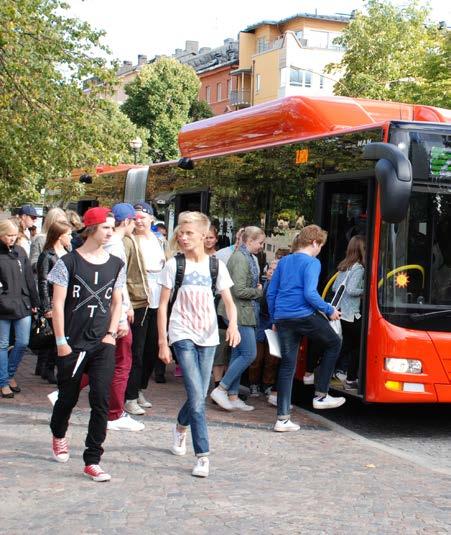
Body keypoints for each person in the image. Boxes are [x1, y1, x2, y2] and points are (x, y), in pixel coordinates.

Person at [157, 211, 240, 478]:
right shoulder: (174, 265)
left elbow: (228, 301)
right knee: (196, 396)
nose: (182, 237)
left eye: (188, 233)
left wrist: (234, 326)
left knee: (200, 394)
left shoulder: (216, 266)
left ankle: (181, 426)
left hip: (209, 336)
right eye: (180, 232)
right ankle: (202, 455)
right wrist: (162, 341)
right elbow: (162, 307)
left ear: (204, 237)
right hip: (182, 334)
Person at [48, 207, 125, 482]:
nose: (111, 231)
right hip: (72, 342)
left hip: (102, 342)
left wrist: (111, 333)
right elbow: (57, 305)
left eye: (113, 227)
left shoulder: (116, 263)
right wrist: (60, 341)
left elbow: (117, 301)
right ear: (91, 228)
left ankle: (93, 459)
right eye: (106, 227)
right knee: (67, 398)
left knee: (101, 400)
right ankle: (58, 433)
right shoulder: (67, 263)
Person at [267, 225, 345, 433]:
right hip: (303, 315)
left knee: (287, 366)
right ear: (314, 243)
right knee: (334, 343)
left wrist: (275, 317)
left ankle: (282, 419)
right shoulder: (312, 262)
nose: (320, 249)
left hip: (283, 318)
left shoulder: (284, 262)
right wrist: (329, 310)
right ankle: (321, 394)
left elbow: (271, 293)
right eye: (321, 245)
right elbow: (310, 294)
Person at [211, 226, 265, 411]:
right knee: (249, 353)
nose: (261, 246)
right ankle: (222, 388)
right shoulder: (241, 259)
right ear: (249, 241)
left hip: (240, 311)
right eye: (259, 243)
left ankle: (232, 395)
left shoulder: (244, 257)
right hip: (239, 312)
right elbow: (239, 290)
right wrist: (258, 291)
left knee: (237, 353)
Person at [104, 203, 145, 432]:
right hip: (113, 315)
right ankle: (114, 413)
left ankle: (64, 393)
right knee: (122, 362)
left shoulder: (112, 244)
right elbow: (116, 285)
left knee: (103, 361)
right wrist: (120, 316)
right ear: (127, 221)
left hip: (114, 312)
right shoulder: (116, 246)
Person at [123, 201, 164, 415]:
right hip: (138, 301)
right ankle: (129, 396)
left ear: (151, 219)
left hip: (158, 302)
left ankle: (139, 388)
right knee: (136, 351)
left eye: (142, 217)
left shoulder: (159, 241)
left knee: (152, 350)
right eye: (135, 217)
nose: (138, 221)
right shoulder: (129, 241)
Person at [0, 219, 39, 398]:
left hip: (22, 303)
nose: (12, 239)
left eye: (15, 235)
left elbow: (29, 279)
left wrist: (35, 301)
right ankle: (3, 381)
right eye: (8, 235)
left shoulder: (20, 251)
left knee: (23, 342)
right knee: (2, 344)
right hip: (3, 305)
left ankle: (8, 375)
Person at [36, 221, 73, 383]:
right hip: (53, 300)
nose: (71, 237)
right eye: (68, 234)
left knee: (61, 334)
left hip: (66, 300)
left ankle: (48, 367)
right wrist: (46, 306)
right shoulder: (47, 255)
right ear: (59, 236)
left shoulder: (69, 252)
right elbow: (43, 282)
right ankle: (49, 368)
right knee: (54, 336)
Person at [332, 235, 365, 389]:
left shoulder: (344, 265)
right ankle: (351, 378)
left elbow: (334, 288)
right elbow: (351, 290)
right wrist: (366, 290)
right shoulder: (358, 267)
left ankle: (329, 369)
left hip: (340, 312)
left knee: (347, 344)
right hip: (352, 314)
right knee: (360, 344)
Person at [248, 259, 280, 398]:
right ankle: (253, 384)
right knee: (257, 357)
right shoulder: (261, 284)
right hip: (260, 322)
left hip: (273, 322)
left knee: (272, 358)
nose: (271, 272)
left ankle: (267, 384)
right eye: (270, 269)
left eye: (275, 269)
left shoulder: (281, 286)